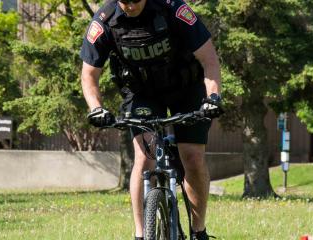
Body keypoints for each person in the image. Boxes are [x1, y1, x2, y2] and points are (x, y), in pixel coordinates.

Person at [80, 0, 222, 239]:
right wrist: (96, 108)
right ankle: (141, 234)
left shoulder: (173, 8)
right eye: (125, 0)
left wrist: (213, 98)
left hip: (186, 87)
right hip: (141, 94)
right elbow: (89, 74)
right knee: (145, 159)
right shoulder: (104, 21)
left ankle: (199, 232)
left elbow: (209, 59)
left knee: (193, 157)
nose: (131, 5)